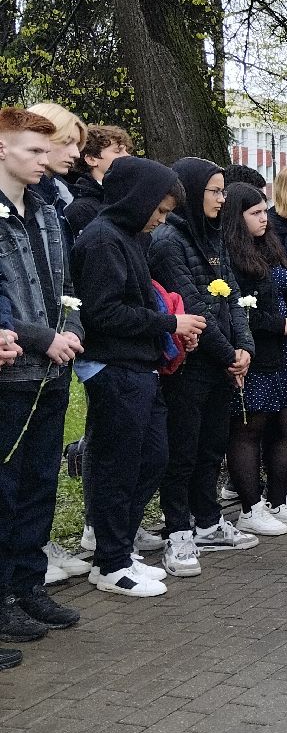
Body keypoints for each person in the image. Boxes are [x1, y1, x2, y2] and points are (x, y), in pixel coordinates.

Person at [72, 156, 207, 596]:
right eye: (159, 210)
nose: (161, 220)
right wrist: (169, 325)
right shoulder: (102, 240)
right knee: (117, 466)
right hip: (115, 367)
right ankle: (110, 562)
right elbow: (104, 312)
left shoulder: (128, 237)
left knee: (152, 457)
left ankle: (119, 548)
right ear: (138, 199)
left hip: (140, 365)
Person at [148, 158, 258, 573]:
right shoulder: (169, 242)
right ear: (193, 193)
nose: (221, 198)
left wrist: (243, 346)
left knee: (212, 445)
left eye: (222, 190)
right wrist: (228, 353)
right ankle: (177, 529)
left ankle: (209, 521)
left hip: (222, 361)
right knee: (184, 449)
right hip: (192, 363)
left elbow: (231, 297)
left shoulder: (215, 239)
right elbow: (191, 304)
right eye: (214, 191)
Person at [0, 108, 85, 641]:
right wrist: (39, 338)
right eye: (33, 151)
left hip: (52, 372)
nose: (44, 161)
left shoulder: (47, 208)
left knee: (38, 484)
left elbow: (65, 280)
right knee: (6, 489)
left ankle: (27, 586)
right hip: (12, 375)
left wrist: (70, 327)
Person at [220, 184, 287, 538]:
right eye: (255, 213)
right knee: (250, 429)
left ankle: (279, 498)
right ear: (236, 217)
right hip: (257, 352)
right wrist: (279, 322)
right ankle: (251, 507)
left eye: (265, 211)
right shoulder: (229, 254)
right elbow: (235, 310)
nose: (264, 218)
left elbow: (283, 285)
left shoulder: (269, 243)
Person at [62, 124, 132, 239]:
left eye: (127, 150)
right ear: (91, 159)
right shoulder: (81, 210)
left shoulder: (125, 198)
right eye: (118, 151)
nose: (128, 156)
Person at [28, 103, 85, 218]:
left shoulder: (64, 196)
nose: (76, 154)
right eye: (66, 142)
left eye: (77, 145)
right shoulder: (15, 197)